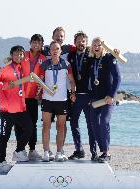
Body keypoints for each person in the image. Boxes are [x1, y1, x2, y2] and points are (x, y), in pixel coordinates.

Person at [0, 45, 33, 173]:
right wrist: (4, 85)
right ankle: (2, 162)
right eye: (17, 54)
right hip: (7, 111)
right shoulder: (5, 69)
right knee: (4, 136)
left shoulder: (21, 69)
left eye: (21, 54)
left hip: (20, 109)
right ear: (12, 55)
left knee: (30, 128)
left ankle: (18, 150)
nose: (19, 56)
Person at [40, 41, 76, 162]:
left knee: (61, 127)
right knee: (46, 126)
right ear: (49, 52)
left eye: (57, 49)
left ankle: (59, 152)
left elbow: (71, 81)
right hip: (47, 99)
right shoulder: (45, 64)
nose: (55, 51)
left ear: (61, 51)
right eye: (52, 49)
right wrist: (39, 90)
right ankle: (46, 151)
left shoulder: (66, 64)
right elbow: (39, 81)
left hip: (62, 100)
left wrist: (73, 93)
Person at [88, 37, 121, 162]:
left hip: (108, 98)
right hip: (95, 98)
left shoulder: (109, 58)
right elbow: (91, 81)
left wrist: (112, 95)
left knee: (104, 121)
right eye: (94, 44)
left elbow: (118, 78)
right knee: (94, 123)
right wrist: (90, 97)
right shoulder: (91, 60)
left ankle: (106, 152)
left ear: (103, 47)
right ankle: (103, 151)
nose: (96, 46)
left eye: (99, 45)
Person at [67, 31, 98, 160]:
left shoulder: (91, 54)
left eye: (83, 41)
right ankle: (79, 150)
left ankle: (94, 152)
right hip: (76, 96)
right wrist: (72, 93)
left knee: (91, 124)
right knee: (73, 123)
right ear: (75, 42)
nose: (81, 43)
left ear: (87, 43)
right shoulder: (70, 56)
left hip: (89, 96)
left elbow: (103, 56)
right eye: (78, 40)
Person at [18, 34, 46, 160]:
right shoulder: (22, 55)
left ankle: (32, 149)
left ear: (41, 45)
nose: (36, 45)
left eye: (38, 43)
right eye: (34, 42)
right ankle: (20, 149)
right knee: (19, 124)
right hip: (20, 96)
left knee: (33, 123)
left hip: (33, 96)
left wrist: (40, 92)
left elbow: (43, 77)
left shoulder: (43, 59)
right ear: (30, 43)